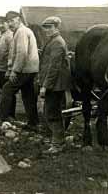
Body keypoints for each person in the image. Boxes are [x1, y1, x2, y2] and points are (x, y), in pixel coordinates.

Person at [0, 11, 39, 130]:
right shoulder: (21, 31)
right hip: (30, 69)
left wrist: (14, 71)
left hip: (24, 70)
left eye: (12, 20)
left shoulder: (21, 32)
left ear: (19, 20)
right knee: (28, 96)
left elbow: (22, 53)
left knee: (7, 89)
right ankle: (33, 123)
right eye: (8, 21)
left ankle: (2, 118)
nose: (10, 23)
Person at [38, 16, 71, 154]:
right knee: (50, 111)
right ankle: (54, 139)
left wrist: (45, 86)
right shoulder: (53, 41)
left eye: (50, 27)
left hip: (55, 84)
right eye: (45, 28)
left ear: (56, 28)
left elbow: (54, 67)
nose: (47, 30)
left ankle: (58, 144)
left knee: (53, 113)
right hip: (53, 83)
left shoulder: (57, 42)